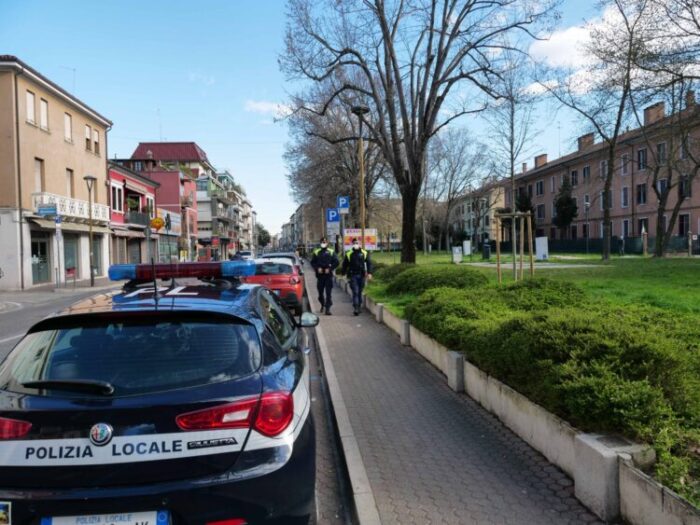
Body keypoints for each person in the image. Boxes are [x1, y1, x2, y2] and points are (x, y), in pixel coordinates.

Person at [341, 238, 373, 316]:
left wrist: (369, 273)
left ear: (359, 244)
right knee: (355, 291)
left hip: (361, 275)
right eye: (354, 243)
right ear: (353, 244)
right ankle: (356, 308)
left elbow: (369, 263)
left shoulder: (364, 253)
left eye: (357, 243)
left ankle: (358, 306)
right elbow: (345, 264)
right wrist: (343, 273)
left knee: (359, 292)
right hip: (353, 275)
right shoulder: (349, 253)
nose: (356, 244)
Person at [310, 237, 339, 315]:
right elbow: (312, 262)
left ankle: (328, 309)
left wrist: (330, 268)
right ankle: (323, 304)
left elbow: (336, 262)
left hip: (328, 276)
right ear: (320, 243)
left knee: (328, 293)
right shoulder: (316, 252)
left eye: (325, 242)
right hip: (320, 276)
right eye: (322, 242)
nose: (324, 243)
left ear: (327, 243)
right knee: (320, 294)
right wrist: (317, 268)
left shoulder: (331, 252)